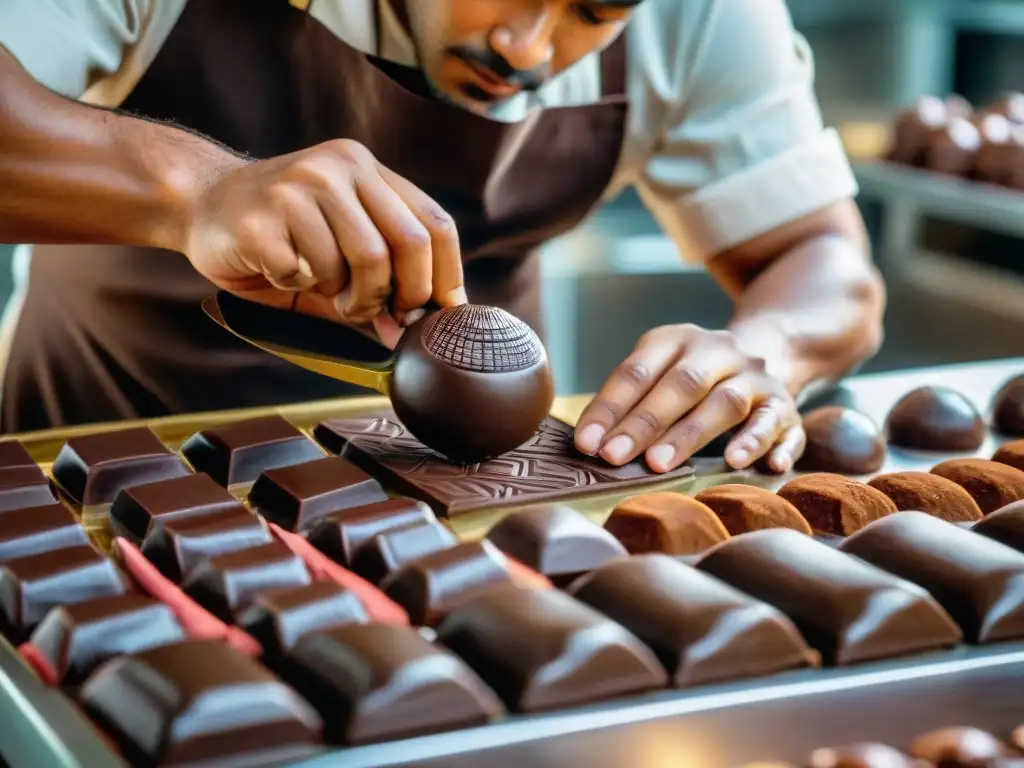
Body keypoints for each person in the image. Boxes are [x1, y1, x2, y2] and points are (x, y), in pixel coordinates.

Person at [0, 0, 884, 474]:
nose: (528, 46)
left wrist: (763, 350)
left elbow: (824, 263)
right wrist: (195, 191)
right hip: (96, 456)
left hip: (474, 491)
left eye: (596, 10)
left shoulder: (702, 16)